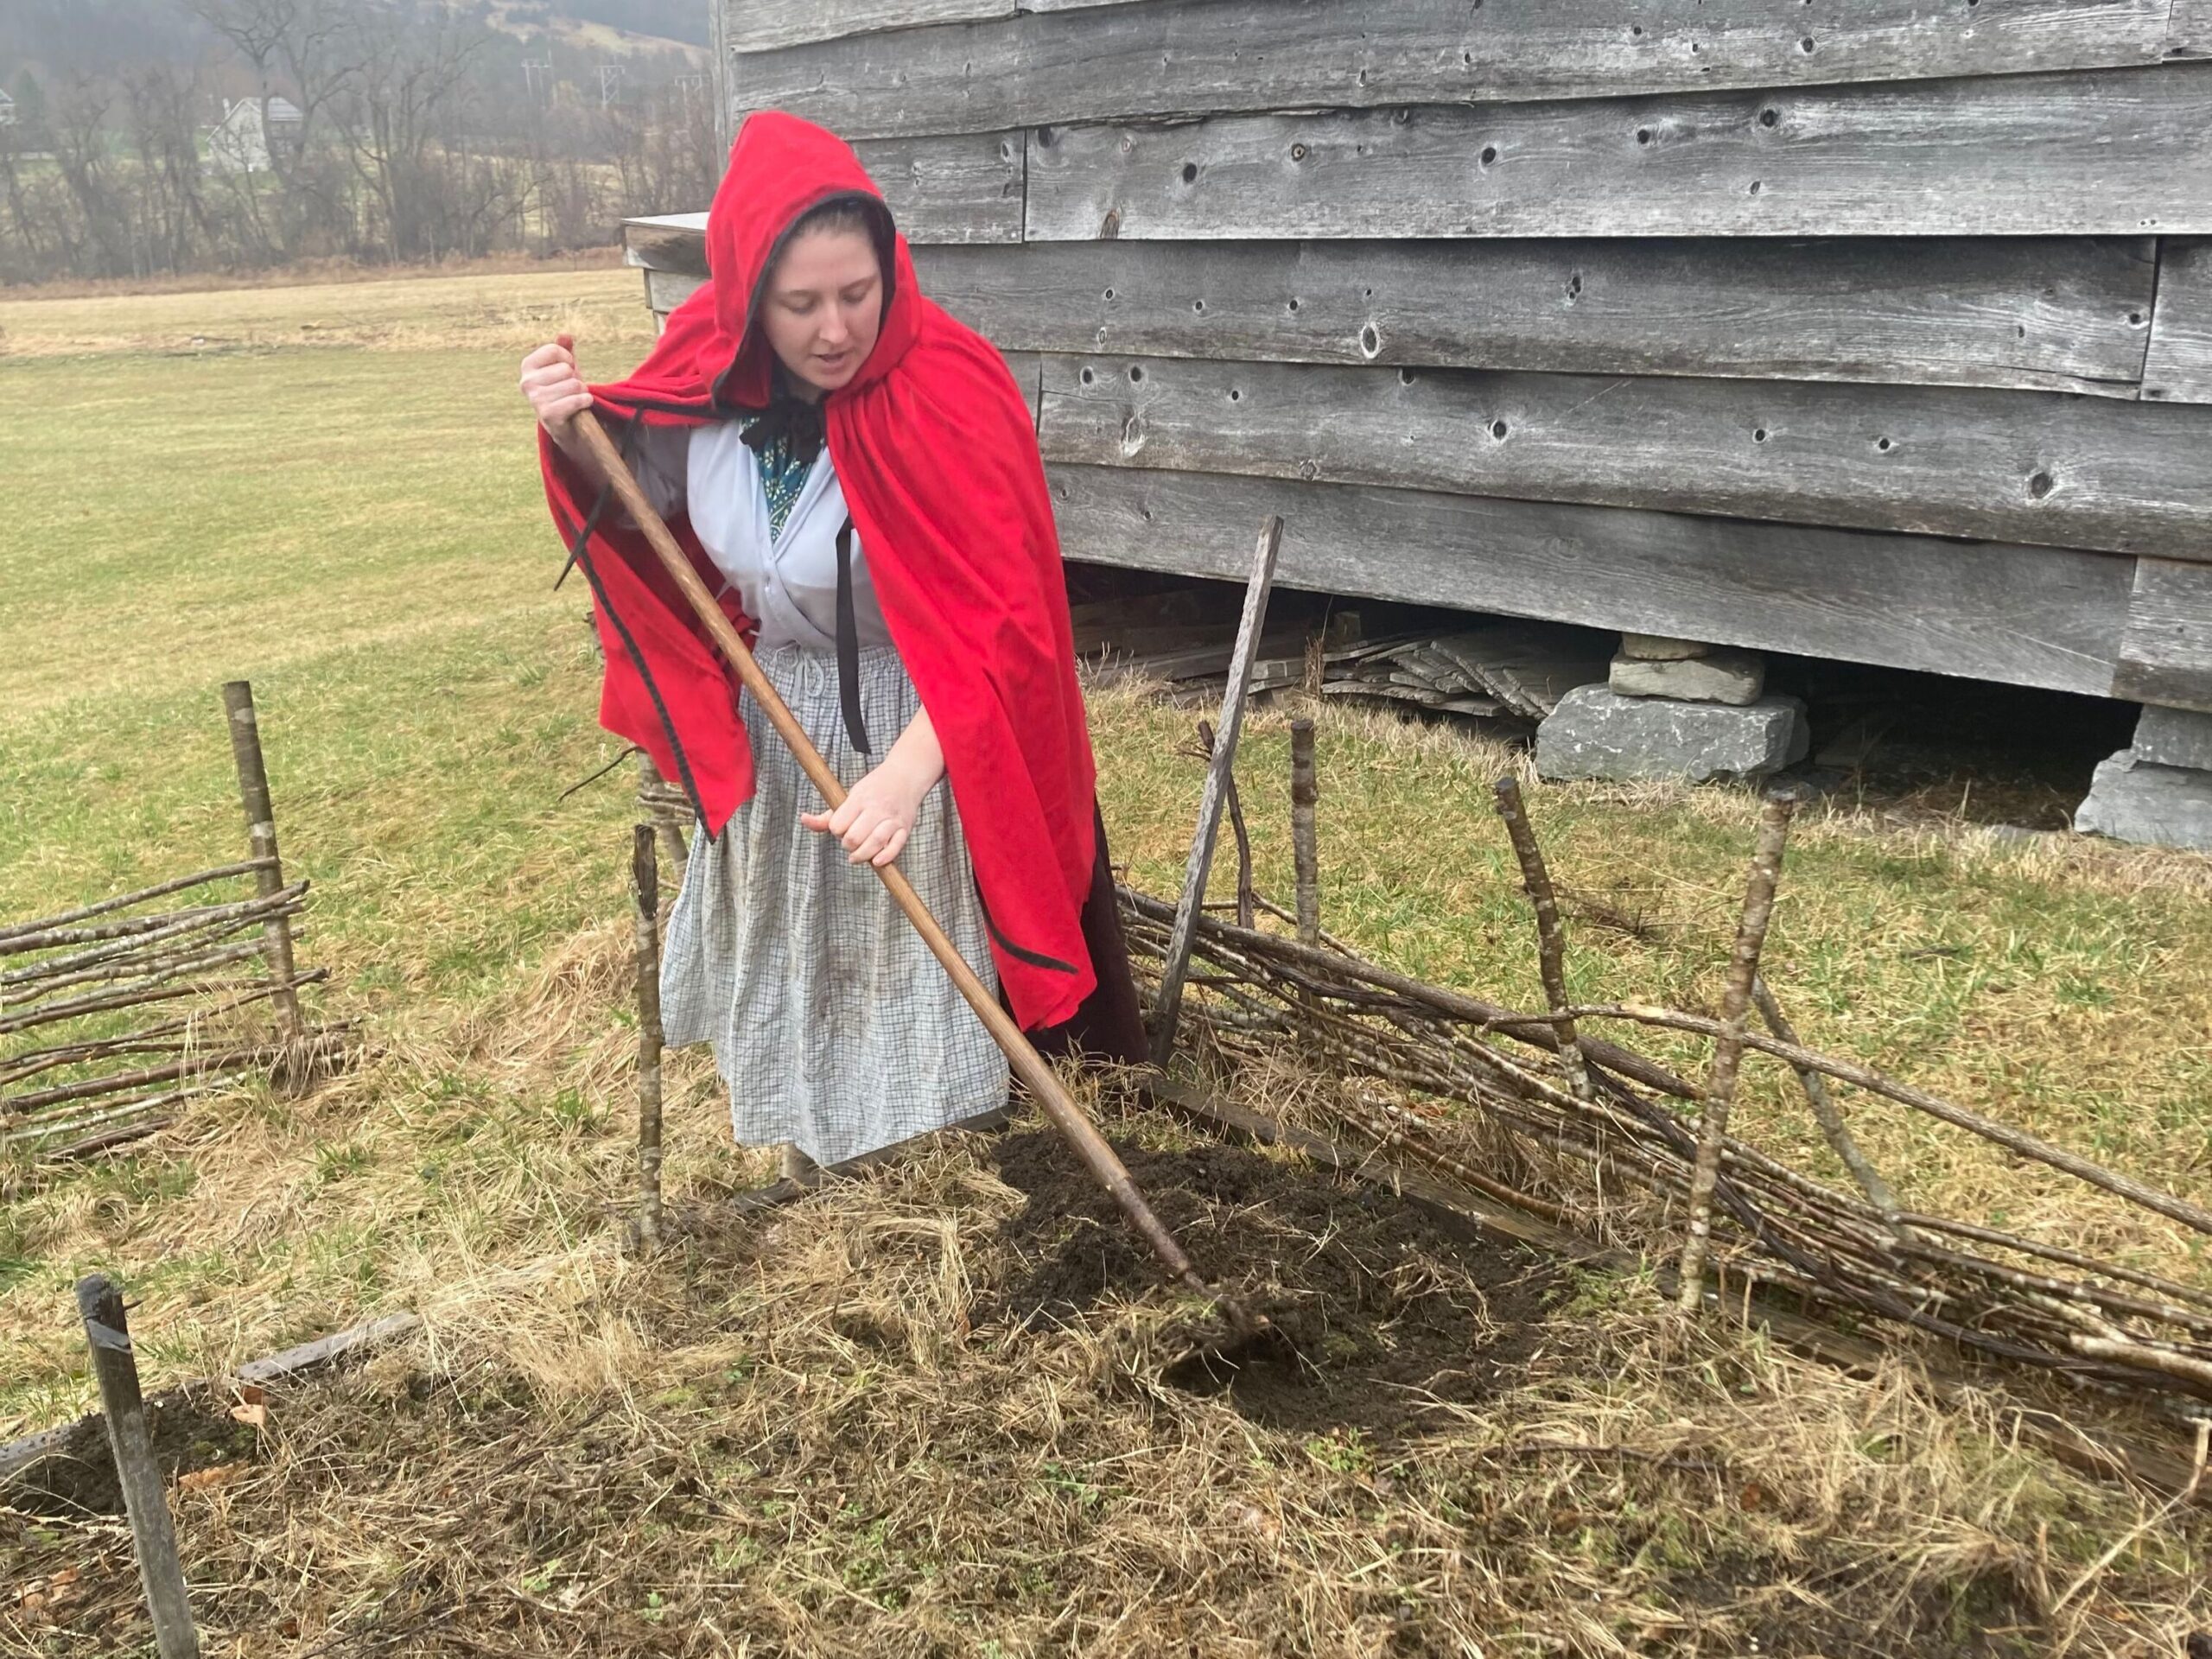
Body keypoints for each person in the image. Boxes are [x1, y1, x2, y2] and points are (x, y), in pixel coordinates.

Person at [524, 112, 1145, 1184]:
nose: (833, 328)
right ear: (745, 294)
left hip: (930, 721)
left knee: (911, 957)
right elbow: (641, 515)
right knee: (804, 951)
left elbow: (1006, 629)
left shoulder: (950, 387)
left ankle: (924, 1167)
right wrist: (573, 427)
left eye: (856, 293)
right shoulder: (706, 385)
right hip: (781, 711)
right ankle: (818, 1153)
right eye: (800, 303)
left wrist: (903, 781)